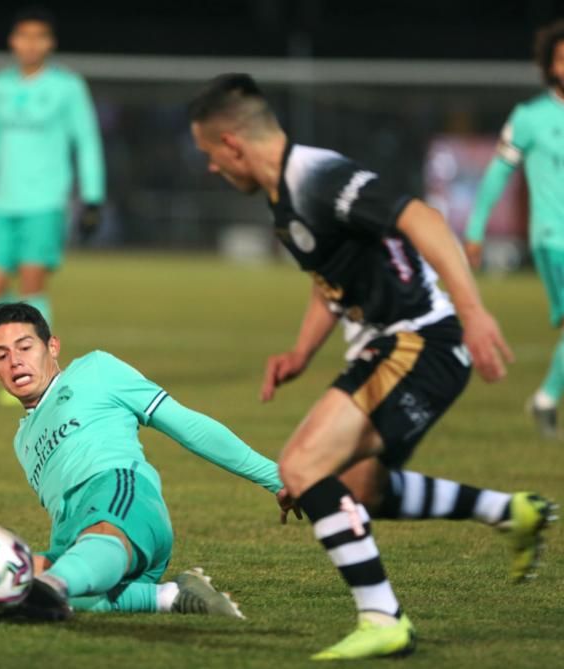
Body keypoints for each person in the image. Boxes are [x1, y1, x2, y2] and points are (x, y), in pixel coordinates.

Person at [188, 74, 556, 660]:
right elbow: (328, 283)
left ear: (232, 143)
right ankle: (509, 513)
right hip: (390, 345)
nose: (210, 167)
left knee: (303, 465)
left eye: (209, 155)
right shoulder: (283, 196)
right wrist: (300, 353)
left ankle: (383, 618)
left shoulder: (320, 176)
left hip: (420, 340)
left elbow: (425, 221)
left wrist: (476, 312)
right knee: (361, 487)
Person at [0, 302, 298, 620]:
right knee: (10, 583)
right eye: (2, 355)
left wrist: (277, 478)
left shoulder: (96, 371)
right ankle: (170, 596)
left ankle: (56, 584)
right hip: (78, 537)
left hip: (121, 497)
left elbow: (188, 425)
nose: (16, 362)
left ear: (52, 347)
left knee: (46, 585)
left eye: (25, 347)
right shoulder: (21, 440)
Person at [0, 6, 104, 330]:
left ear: (50, 43)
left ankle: (35, 375)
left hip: (45, 202)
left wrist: (92, 197)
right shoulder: (0, 85)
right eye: (24, 36)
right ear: (12, 41)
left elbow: (87, 142)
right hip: (2, 202)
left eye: (39, 37)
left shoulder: (68, 87)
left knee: (31, 286)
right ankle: (23, 348)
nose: (30, 44)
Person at [465, 20, 564, 439]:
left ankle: (545, 400)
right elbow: (496, 175)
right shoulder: (530, 118)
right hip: (553, 238)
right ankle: (545, 400)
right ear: (549, 66)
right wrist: (475, 228)